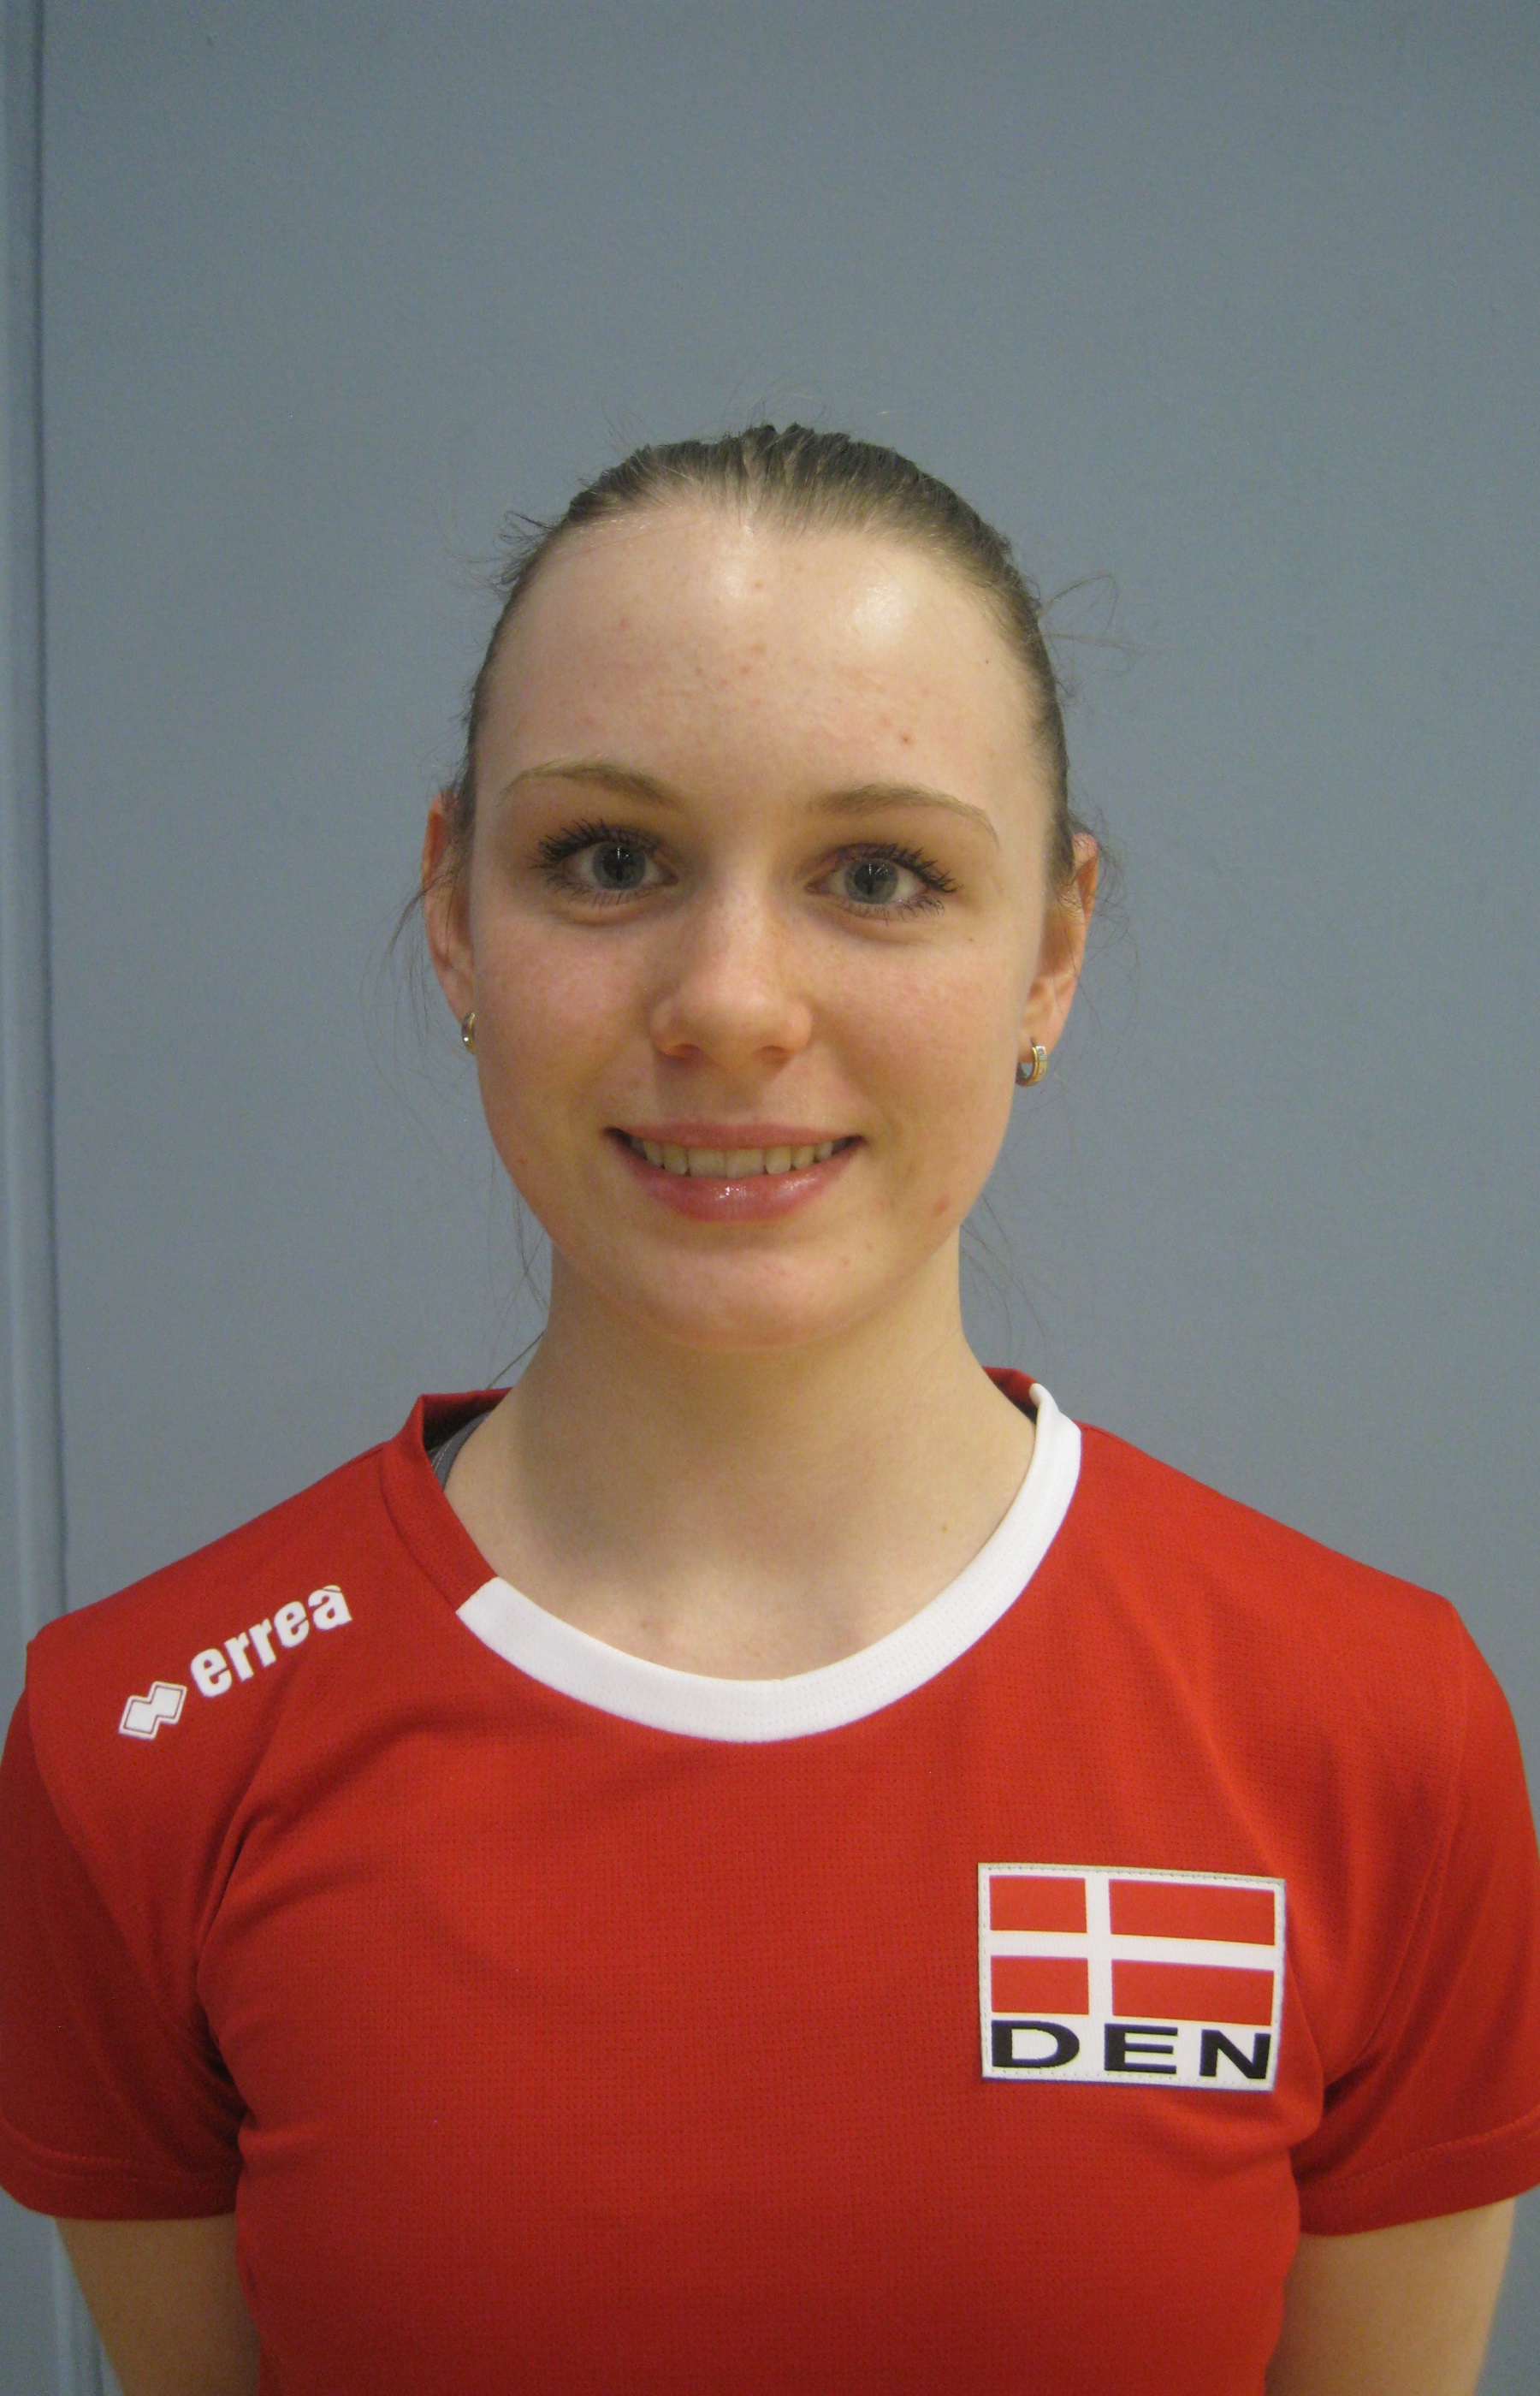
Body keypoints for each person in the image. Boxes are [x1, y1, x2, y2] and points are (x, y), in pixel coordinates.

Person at [2, 424, 1537, 2396]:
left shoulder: (1376, 1735)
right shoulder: (143, 1744)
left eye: (879, 874)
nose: (731, 999)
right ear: (454, 910)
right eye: (609, 859)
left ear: (1052, 950)